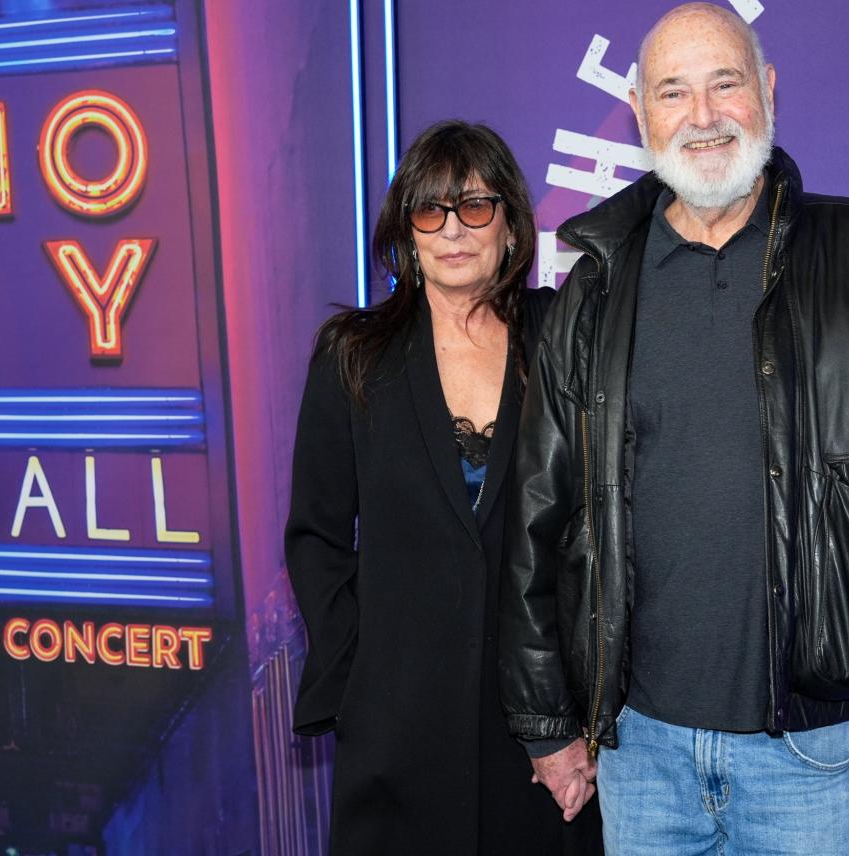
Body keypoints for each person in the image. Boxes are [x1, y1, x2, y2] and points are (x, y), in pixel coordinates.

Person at [499, 4, 849, 854]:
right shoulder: (593, 291)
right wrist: (545, 718)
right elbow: (538, 511)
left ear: (768, 90)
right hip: (639, 753)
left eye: (725, 83)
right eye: (674, 92)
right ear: (639, 111)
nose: (703, 116)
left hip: (805, 755)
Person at [285, 121, 601, 854]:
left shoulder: (561, 339)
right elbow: (316, 536)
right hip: (398, 721)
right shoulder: (355, 355)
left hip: (541, 722)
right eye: (430, 209)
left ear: (512, 227)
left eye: (475, 206)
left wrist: (582, 698)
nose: (453, 229)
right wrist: (361, 676)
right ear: (407, 230)